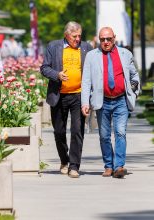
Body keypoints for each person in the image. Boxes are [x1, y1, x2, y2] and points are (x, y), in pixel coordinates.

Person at [81, 27, 140, 178]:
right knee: (104, 136)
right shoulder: (91, 56)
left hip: (121, 100)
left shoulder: (125, 54)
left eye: (108, 39)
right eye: (102, 39)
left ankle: (119, 166)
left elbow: (134, 75)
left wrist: (134, 91)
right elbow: (86, 81)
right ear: (98, 40)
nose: (105, 42)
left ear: (114, 38)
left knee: (120, 132)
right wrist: (85, 102)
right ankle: (108, 166)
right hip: (102, 101)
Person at [40, 21, 93, 178]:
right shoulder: (53, 46)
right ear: (66, 35)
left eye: (79, 36)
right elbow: (44, 68)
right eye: (74, 36)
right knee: (59, 132)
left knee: (77, 131)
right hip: (58, 96)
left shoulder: (86, 48)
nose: (77, 39)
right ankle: (65, 160)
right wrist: (57, 75)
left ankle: (74, 166)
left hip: (79, 95)